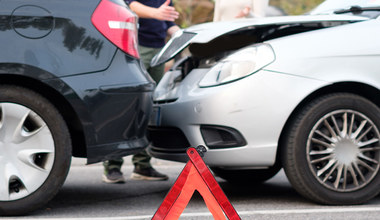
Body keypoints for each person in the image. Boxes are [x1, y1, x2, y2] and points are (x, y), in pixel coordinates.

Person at [102, 0, 180, 184]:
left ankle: (142, 165)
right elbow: (128, 5)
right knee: (125, 106)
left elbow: (167, 20)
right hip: (135, 46)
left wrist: (181, 34)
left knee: (149, 108)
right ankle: (112, 165)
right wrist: (155, 13)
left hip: (159, 49)